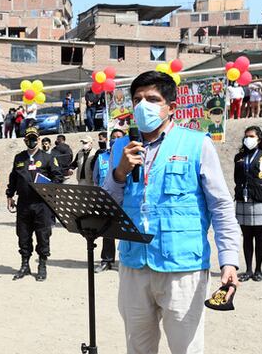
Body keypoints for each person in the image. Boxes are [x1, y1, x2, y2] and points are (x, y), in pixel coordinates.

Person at [104, 71, 240, 353]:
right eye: (137, 100)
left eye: (152, 99)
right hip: (133, 264)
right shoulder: (120, 146)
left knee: (185, 349)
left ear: (171, 107)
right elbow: (107, 205)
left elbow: (221, 206)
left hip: (182, 268)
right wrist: (119, 172)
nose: (143, 106)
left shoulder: (197, 143)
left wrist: (229, 260)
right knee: (137, 347)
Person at [6, 127, 63, 282]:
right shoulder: (19, 158)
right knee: (23, 235)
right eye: (28, 138)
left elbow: (58, 177)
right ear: (25, 140)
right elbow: (13, 178)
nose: (32, 141)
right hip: (24, 204)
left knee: (43, 235)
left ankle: (42, 265)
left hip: (42, 204)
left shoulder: (48, 158)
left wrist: (49, 188)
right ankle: (25, 265)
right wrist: (9, 194)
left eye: (34, 138)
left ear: (38, 139)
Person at [234, 126, 262, 282]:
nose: (248, 139)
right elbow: (236, 178)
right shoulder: (239, 157)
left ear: (259, 139)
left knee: (259, 236)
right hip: (243, 200)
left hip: (260, 201)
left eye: (252, 136)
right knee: (246, 237)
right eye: (246, 136)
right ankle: (247, 270)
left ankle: (258, 270)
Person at [92, 129, 124, 273]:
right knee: (108, 231)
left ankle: (124, 261)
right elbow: (95, 178)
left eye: (120, 137)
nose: (116, 140)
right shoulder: (101, 157)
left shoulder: (130, 156)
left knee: (127, 232)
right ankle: (107, 260)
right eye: (113, 137)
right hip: (107, 200)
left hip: (126, 200)